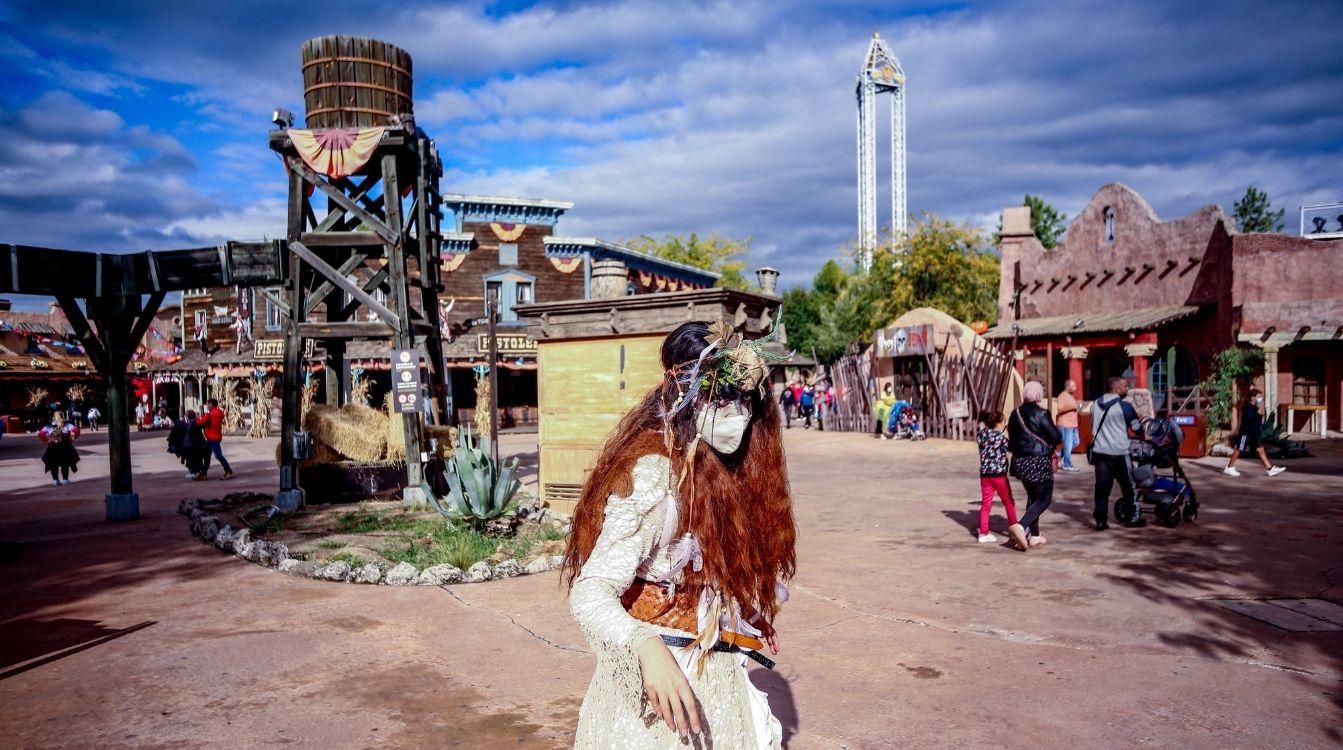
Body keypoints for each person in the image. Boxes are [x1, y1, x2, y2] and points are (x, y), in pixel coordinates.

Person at [563, 320, 796, 749]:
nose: (736, 412)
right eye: (721, 396)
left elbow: (707, 562)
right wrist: (645, 647)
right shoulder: (656, 474)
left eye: (745, 398)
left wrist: (741, 609)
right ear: (683, 392)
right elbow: (590, 591)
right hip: (661, 698)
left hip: (718, 683)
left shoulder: (732, 468)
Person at [1006, 381, 1062, 550]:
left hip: (1019, 461)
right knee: (1044, 498)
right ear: (1039, 395)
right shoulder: (1042, 413)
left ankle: (1035, 536)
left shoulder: (1014, 413)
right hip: (1037, 460)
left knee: (1033, 496)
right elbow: (1056, 437)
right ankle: (1021, 526)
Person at [1090, 376, 1145, 530]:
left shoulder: (1095, 404)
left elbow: (1093, 427)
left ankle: (1100, 521)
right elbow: (1137, 429)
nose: (1127, 389)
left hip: (1100, 452)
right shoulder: (1125, 407)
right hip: (1120, 453)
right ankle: (1132, 517)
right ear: (1117, 388)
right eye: (1125, 386)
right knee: (1128, 486)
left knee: (1102, 487)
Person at [976, 410, 1018, 544]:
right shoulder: (1001, 439)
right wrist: (1008, 433)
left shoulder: (981, 435)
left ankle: (983, 533)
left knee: (986, 504)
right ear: (999, 424)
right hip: (999, 475)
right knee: (1009, 503)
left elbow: (988, 436)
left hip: (985, 475)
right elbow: (1012, 447)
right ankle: (1014, 530)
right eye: (1003, 421)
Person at [1224, 388, 1286, 477]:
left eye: (1261, 396)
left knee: (1260, 450)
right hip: (1246, 433)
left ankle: (1270, 469)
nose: (1260, 398)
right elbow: (1250, 418)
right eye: (1259, 396)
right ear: (1252, 397)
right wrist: (1258, 414)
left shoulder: (1255, 407)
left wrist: (1260, 415)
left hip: (1254, 433)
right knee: (1239, 449)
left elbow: (1256, 420)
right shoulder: (1247, 407)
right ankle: (1229, 467)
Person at [38, 411, 81, 486]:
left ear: (54, 417)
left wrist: (47, 441)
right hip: (65, 446)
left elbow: (41, 434)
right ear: (63, 416)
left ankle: (55, 480)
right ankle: (65, 479)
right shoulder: (67, 425)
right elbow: (77, 431)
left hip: (53, 447)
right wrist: (72, 439)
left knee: (53, 463)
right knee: (65, 463)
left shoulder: (49, 426)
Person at [196, 398, 234, 480]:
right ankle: (204, 473)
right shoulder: (218, 412)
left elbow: (200, 422)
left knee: (218, 456)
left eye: (207, 404)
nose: (206, 406)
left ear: (211, 404)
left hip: (212, 438)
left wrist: (197, 419)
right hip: (215, 436)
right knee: (207, 455)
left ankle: (229, 471)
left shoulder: (211, 414)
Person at [1055, 379, 1082, 472]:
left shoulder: (1070, 396)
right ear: (1068, 386)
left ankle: (1058, 454)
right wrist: (1074, 406)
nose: (1076, 388)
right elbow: (1060, 408)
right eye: (1073, 386)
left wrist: (1077, 405)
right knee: (1068, 444)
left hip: (1073, 424)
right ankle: (1067, 464)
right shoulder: (1062, 395)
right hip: (1066, 424)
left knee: (1076, 442)